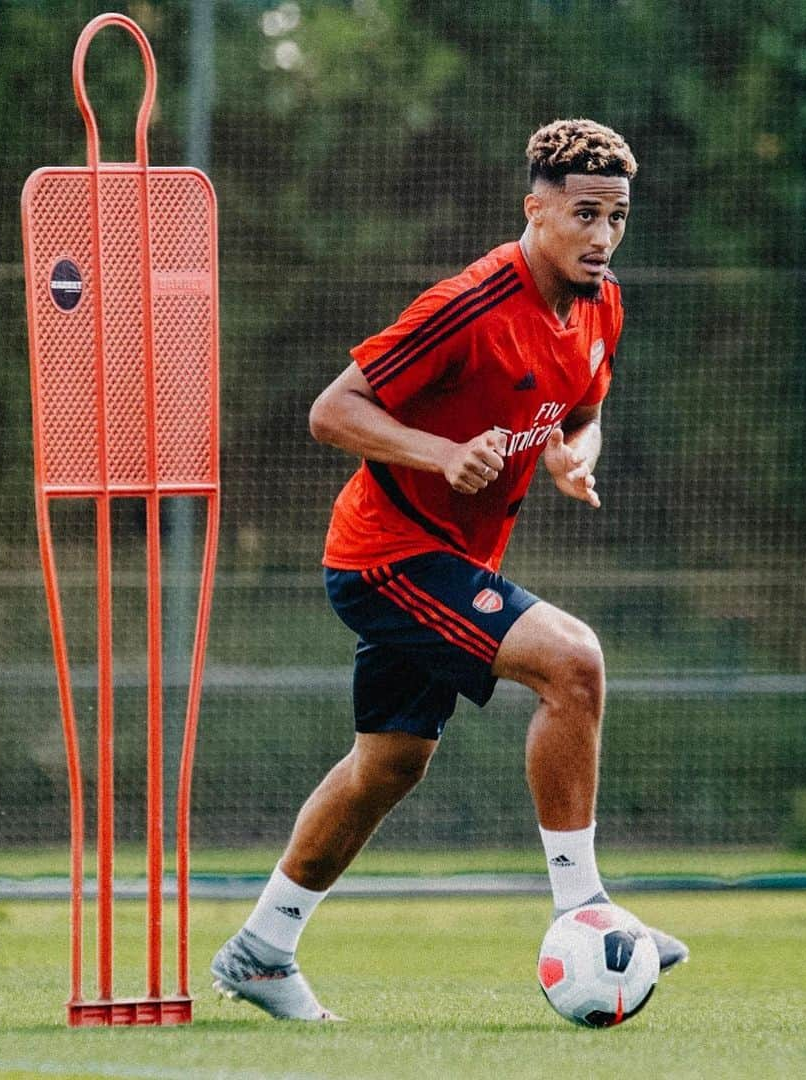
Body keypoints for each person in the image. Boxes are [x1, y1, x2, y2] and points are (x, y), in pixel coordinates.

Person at [212, 118, 688, 1021]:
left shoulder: (600, 303)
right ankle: (585, 909)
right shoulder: (469, 303)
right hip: (385, 556)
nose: (602, 236)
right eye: (584, 215)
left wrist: (573, 453)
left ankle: (262, 949)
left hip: (450, 558)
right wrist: (438, 452)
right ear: (535, 211)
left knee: (388, 766)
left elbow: (583, 409)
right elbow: (331, 411)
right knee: (572, 661)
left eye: (616, 218)